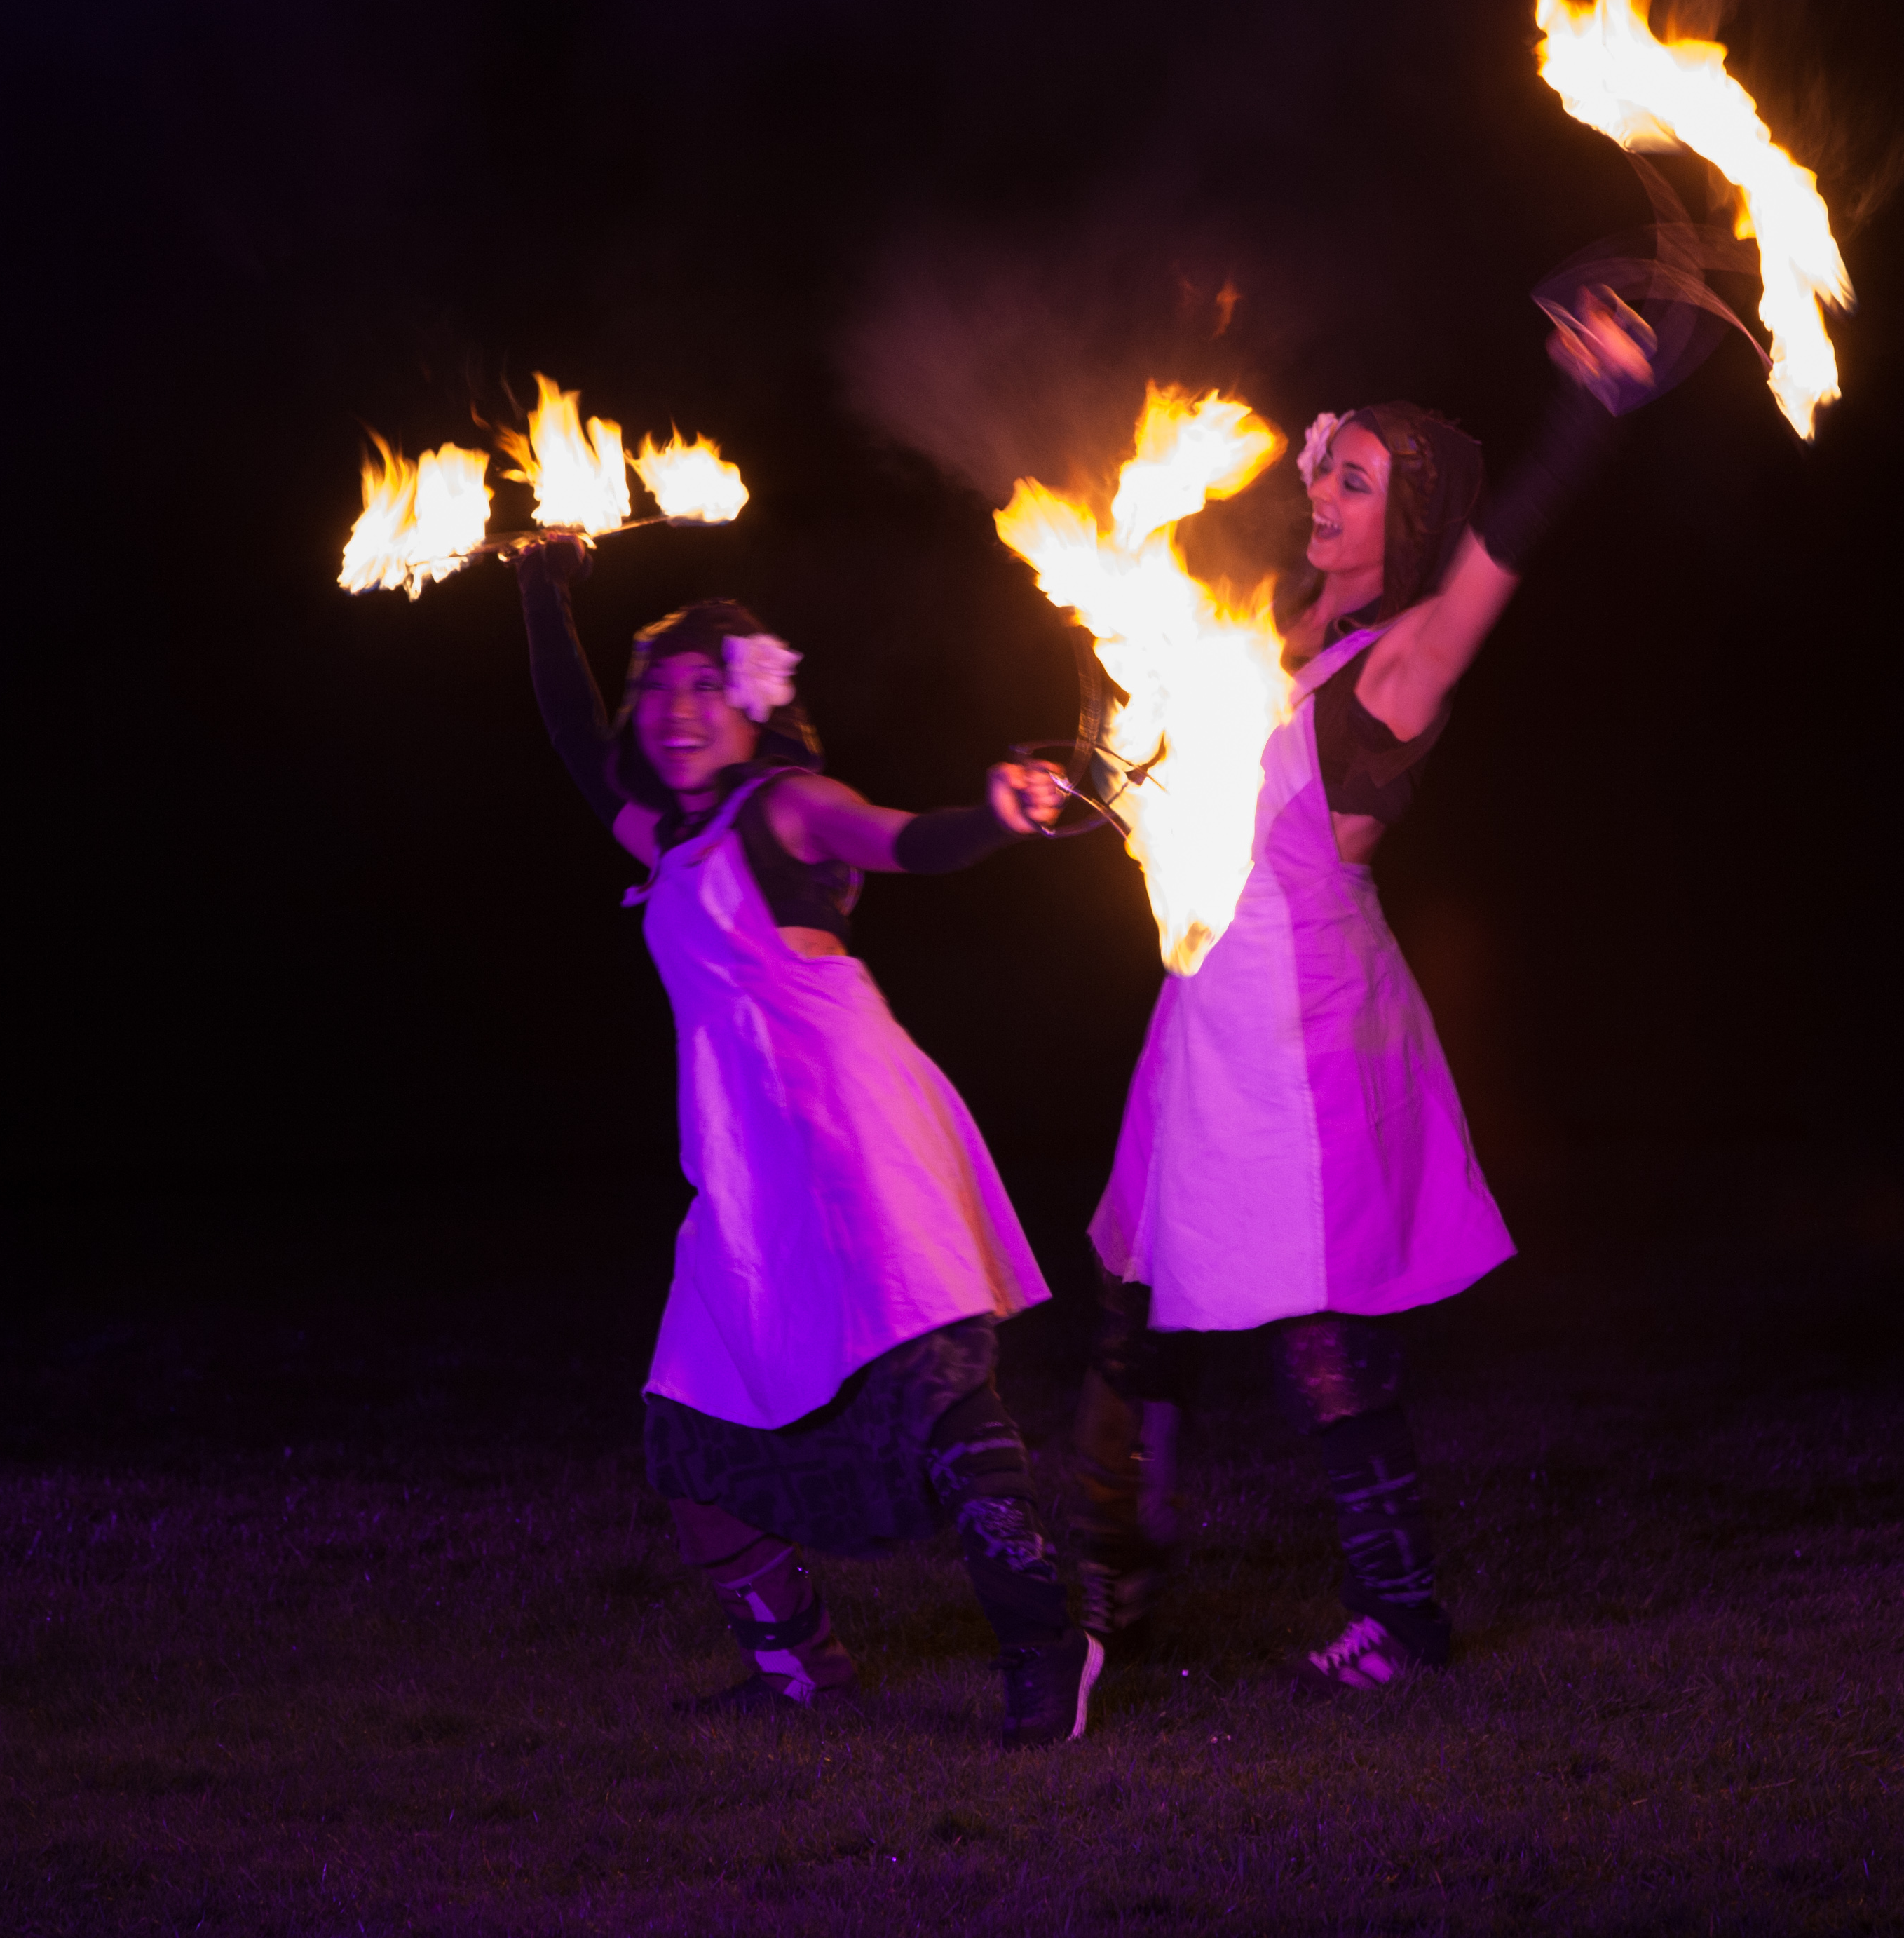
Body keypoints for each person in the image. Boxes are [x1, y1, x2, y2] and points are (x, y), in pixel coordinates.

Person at [1068, 295, 1656, 1691]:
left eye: (1357, 480)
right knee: (1135, 1311)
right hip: (1205, 1022)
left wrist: (1589, 412)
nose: (1321, 492)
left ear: (1412, 520)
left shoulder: (1394, 671)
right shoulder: (1262, 636)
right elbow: (1149, 792)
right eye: (1325, 469)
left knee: (1326, 1342)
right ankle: (1108, 1593)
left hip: (1309, 1030)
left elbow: (1498, 564)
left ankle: (1401, 1615)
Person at [512, 536, 1100, 1747]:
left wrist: (993, 814)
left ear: (756, 707)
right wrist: (540, 589)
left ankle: (1046, 1643)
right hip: (742, 1165)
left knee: (940, 1390)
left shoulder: (785, 806)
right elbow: (575, 742)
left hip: (849, 1132)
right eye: (659, 688)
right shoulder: (670, 840)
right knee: (692, 1411)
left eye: (707, 687)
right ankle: (801, 1668)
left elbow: (902, 837)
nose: (678, 709)